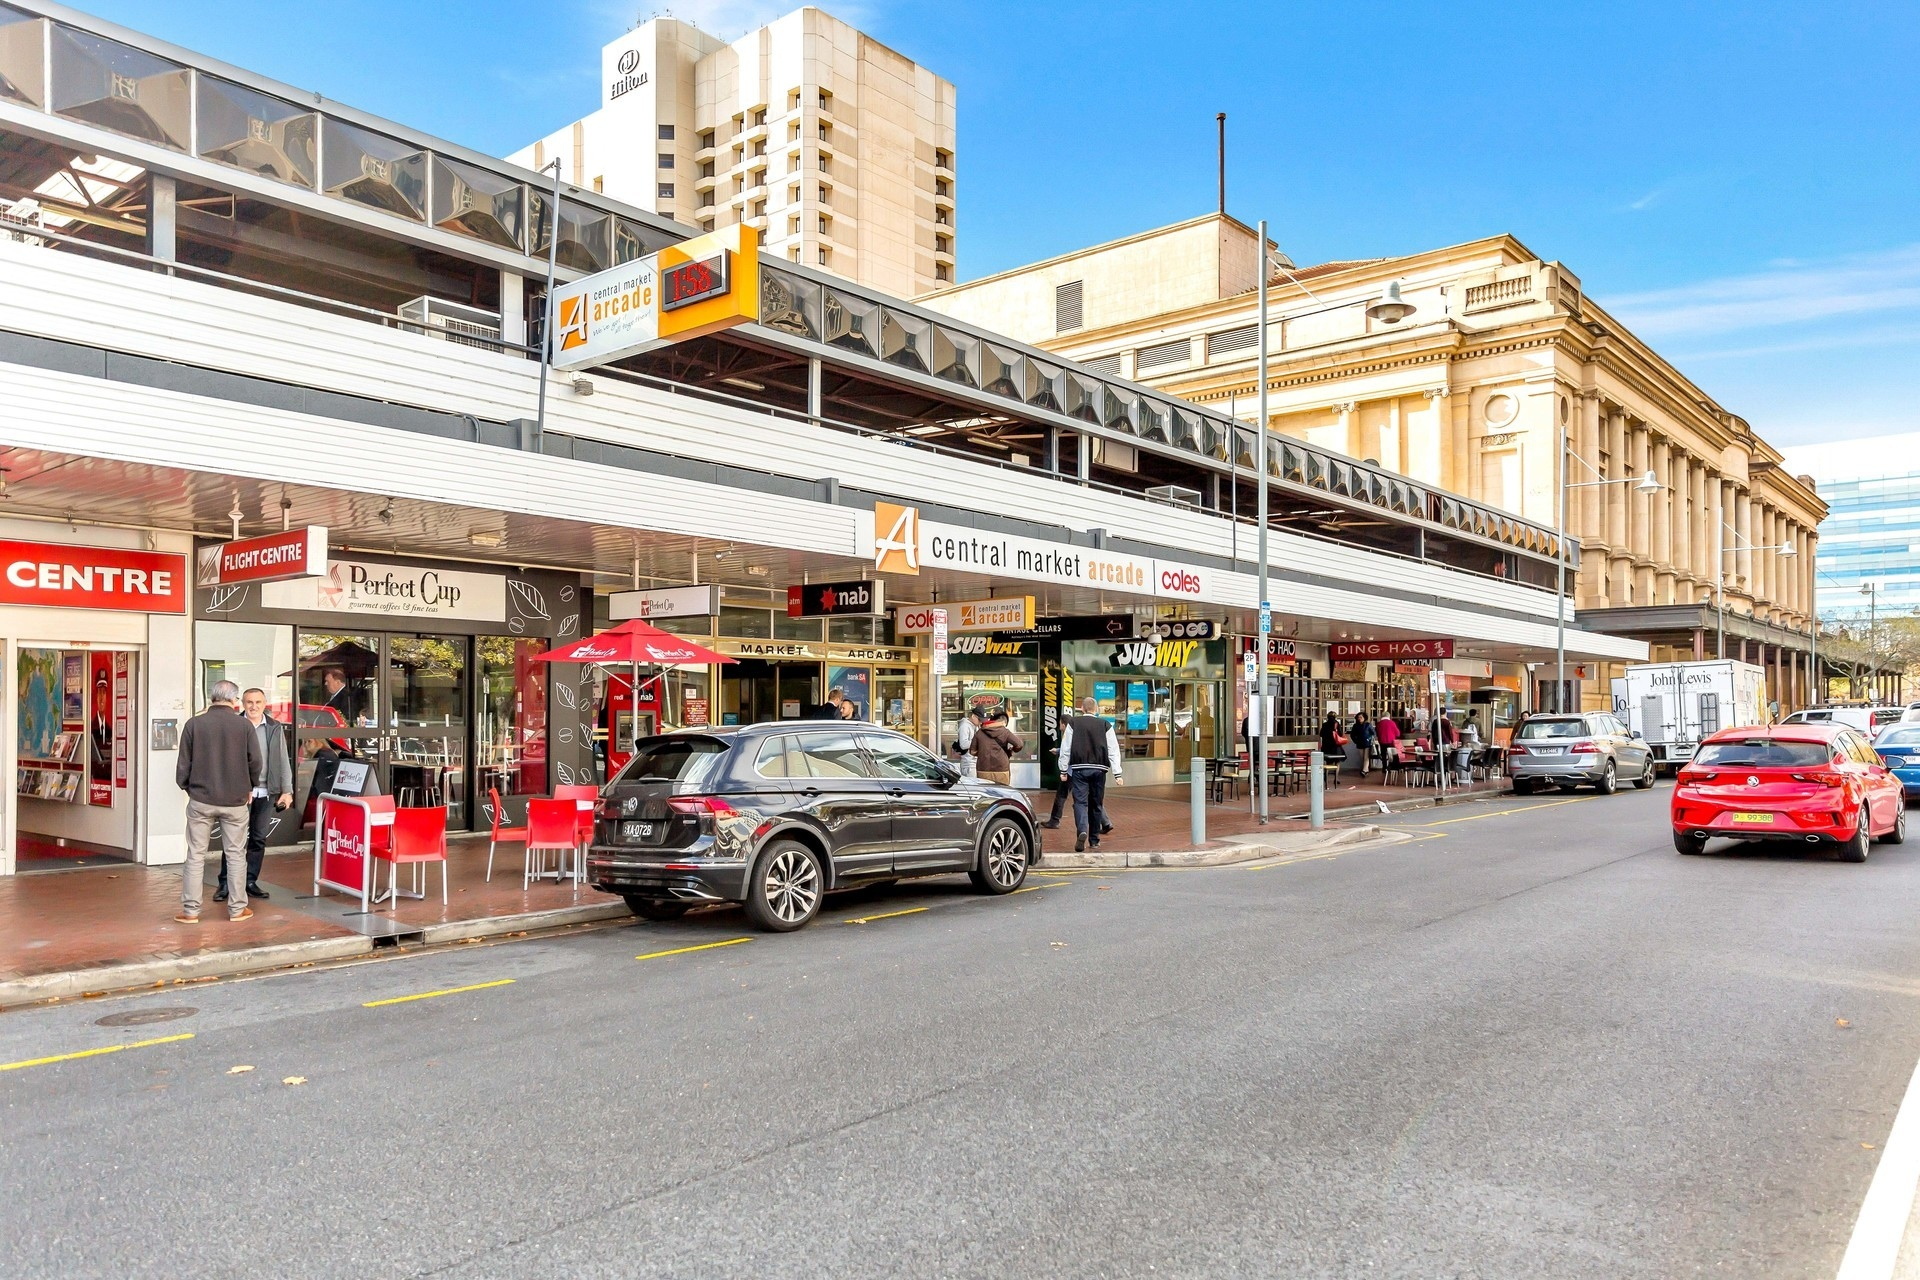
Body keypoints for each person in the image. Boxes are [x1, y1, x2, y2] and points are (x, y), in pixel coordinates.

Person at [175, 680, 264, 925]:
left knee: (195, 854)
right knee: (236, 854)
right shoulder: (244, 726)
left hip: (201, 799)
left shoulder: (194, 724)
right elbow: (255, 762)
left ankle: (190, 911)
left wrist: (188, 787)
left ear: (211, 697)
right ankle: (237, 909)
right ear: (234, 700)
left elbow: (183, 764)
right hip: (235, 801)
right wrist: (250, 786)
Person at [217, 687, 293, 904]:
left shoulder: (274, 727)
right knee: (234, 840)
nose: (253, 706)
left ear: (265, 703)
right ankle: (225, 883)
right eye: (249, 702)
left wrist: (286, 791)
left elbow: (283, 760)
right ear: (241, 703)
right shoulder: (234, 725)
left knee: (258, 839)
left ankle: (250, 881)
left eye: (258, 702)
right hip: (240, 792)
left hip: (266, 791)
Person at [1058, 696, 1123, 852]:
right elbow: (1113, 749)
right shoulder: (1105, 724)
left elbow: (1065, 747)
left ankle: (1082, 830)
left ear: (1082, 708)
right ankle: (1094, 840)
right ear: (1097, 710)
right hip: (1100, 770)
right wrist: (1117, 773)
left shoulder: (1073, 723)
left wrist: (1063, 769)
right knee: (1096, 804)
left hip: (1079, 769)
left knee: (1080, 802)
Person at [971, 708, 1023, 786]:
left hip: (983, 768)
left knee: (985, 794)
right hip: (1001, 768)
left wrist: (983, 753)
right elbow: (1019, 744)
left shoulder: (979, 732)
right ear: (1003, 721)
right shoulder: (1005, 732)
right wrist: (1011, 751)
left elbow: (972, 751)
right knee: (1003, 792)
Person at [1458, 710, 1484, 783]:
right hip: (1475, 743)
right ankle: (1472, 770)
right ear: (1476, 714)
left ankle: (1468, 770)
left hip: (1467, 743)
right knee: (1475, 755)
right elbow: (1481, 732)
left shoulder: (1465, 721)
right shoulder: (1478, 721)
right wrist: (1481, 737)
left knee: (1467, 757)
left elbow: (1462, 730)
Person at [1350, 711, 1377, 779]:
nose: (1359, 718)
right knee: (1362, 757)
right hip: (1359, 743)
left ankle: (1364, 770)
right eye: (1358, 717)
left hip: (1367, 743)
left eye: (1361, 717)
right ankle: (1366, 769)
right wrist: (1355, 741)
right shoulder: (1355, 726)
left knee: (1366, 757)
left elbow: (1373, 733)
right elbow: (1352, 735)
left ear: (1364, 718)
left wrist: (1370, 739)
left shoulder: (1368, 725)